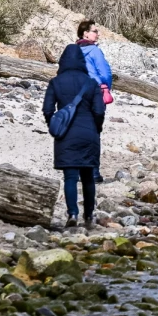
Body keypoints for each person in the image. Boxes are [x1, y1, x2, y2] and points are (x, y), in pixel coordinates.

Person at [43, 44, 107, 231]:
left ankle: (72, 213)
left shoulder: (56, 82)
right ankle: (89, 215)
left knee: (70, 176)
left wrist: (54, 126)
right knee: (88, 176)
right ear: (81, 61)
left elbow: (48, 109)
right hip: (89, 133)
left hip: (66, 134)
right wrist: (97, 129)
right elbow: (99, 110)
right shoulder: (90, 83)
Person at [76, 19, 113, 184]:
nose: (98, 34)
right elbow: (105, 73)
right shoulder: (95, 51)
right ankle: (93, 173)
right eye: (95, 31)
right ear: (86, 33)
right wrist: (106, 87)